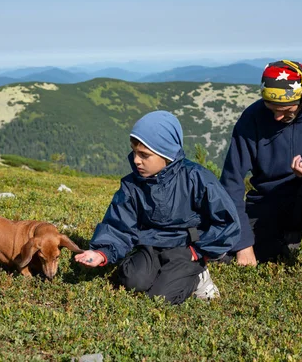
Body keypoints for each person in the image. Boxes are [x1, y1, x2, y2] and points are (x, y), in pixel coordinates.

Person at [75, 110, 241, 305]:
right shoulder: (132, 185)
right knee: (132, 280)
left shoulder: (196, 178)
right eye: (134, 152)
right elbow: (119, 224)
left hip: (187, 247)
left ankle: (198, 277)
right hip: (150, 243)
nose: (136, 160)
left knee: (160, 298)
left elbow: (227, 221)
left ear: (167, 154)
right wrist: (102, 252)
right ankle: (164, 272)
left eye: (144, 155)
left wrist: (200, 250)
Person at [220, 60, 302, 266]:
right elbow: (232, 183)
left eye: (286, 110)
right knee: (226, 256)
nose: (277, 117)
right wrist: (244, 245)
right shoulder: (252, 117)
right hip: (266, 204)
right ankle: (283, 240)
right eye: (271, 109)